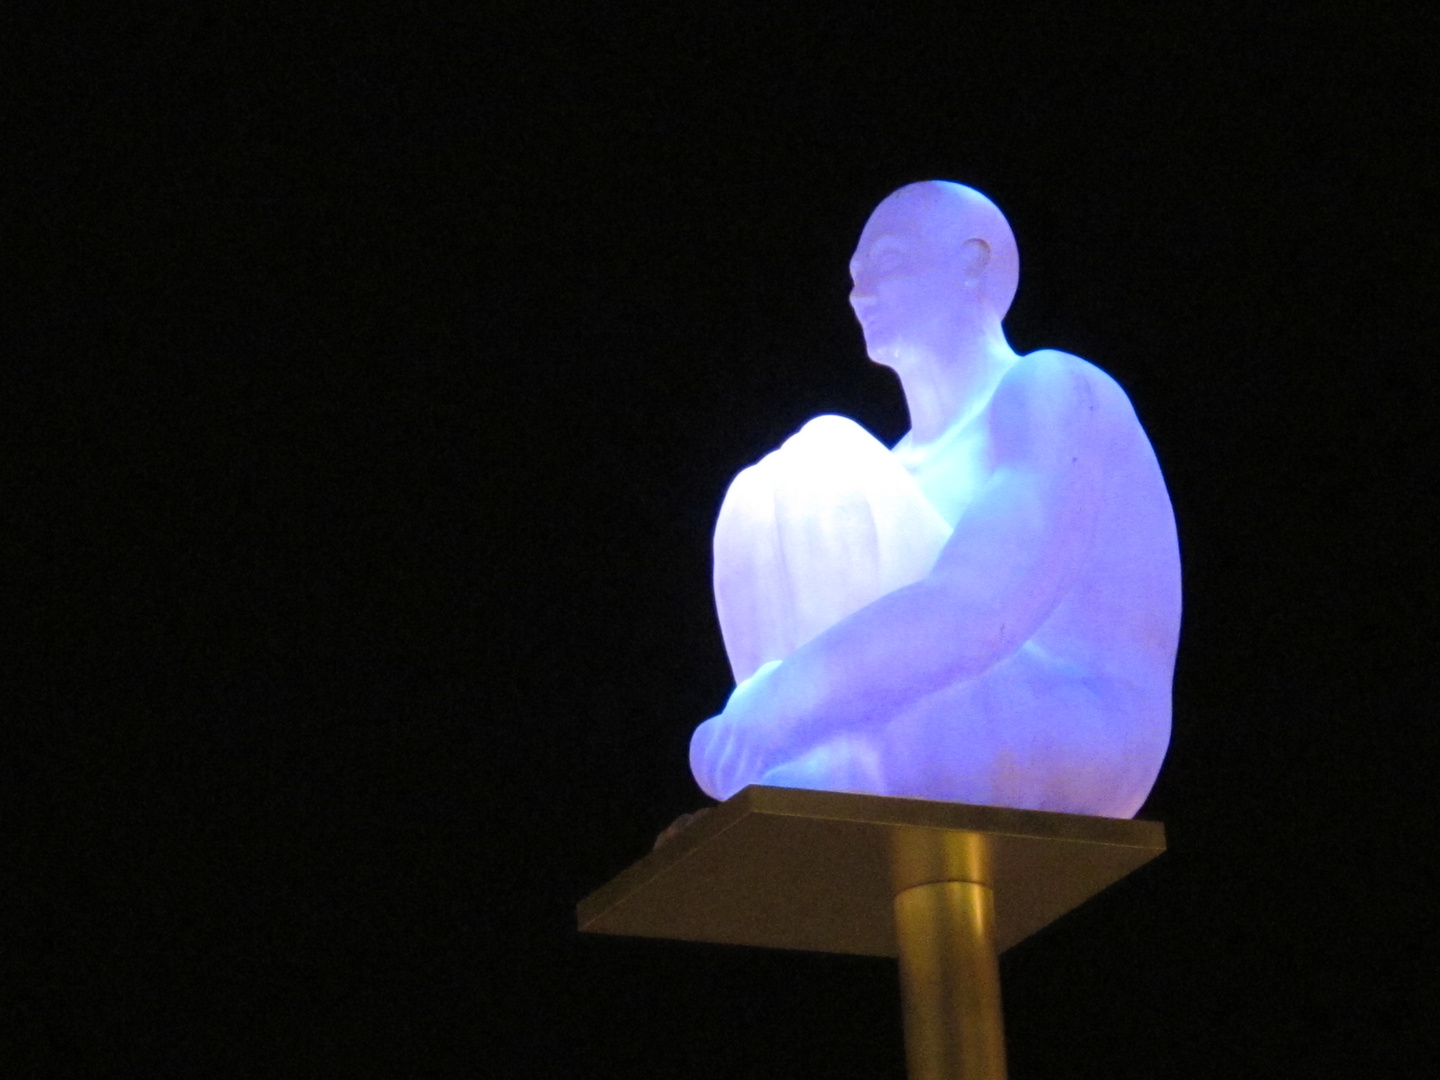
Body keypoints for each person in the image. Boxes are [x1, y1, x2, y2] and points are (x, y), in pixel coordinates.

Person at [690, 181, 1181, 818]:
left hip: (1077, 732)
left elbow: (979, 608)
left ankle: (833, 754)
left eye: (888, 263)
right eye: (854, 277)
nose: (861, 293)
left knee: (823, 453)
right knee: (762, 493)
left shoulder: (1052, 389)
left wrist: (780, 696)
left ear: (974, 262)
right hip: (947, 712)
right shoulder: (897, 474)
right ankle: (818, 759)